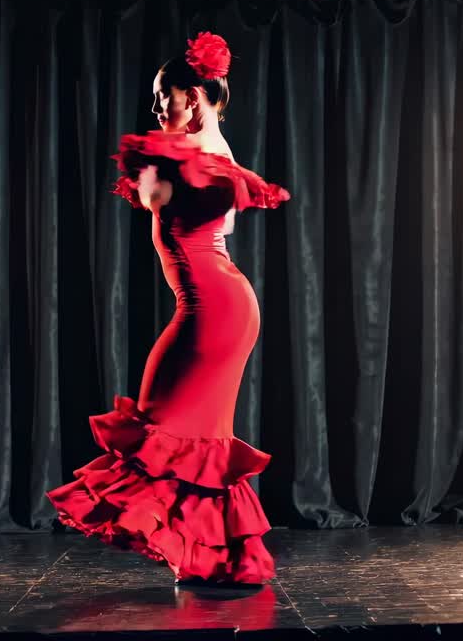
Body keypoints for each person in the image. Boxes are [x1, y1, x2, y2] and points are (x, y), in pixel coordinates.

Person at [46, 32, 289, 586]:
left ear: (195, 96)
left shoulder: (204, 156)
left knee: (165, 431)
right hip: (218, 305)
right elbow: (187, 209)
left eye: (165, 98)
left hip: (214, 309)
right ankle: (214, 559)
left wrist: (167, 166)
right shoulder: (199, 153)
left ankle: (211, 556)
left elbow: (168, 199)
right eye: (156, 100)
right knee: (196, 440)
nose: (157, 109)